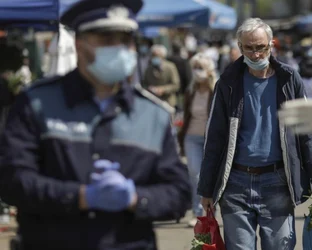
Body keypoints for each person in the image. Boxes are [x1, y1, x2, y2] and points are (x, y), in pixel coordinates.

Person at [0, 0, 191, 249]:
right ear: (80, 44)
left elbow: (179, 193)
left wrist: (135, 197)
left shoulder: (151, 114)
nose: (119, 48)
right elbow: (12, 180)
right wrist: (80, 197)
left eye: (126, 39)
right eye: (106, 38)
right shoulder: (37, 103)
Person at [198, 18, 312, 250]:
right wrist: (206, 188)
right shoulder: (227, 83)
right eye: (249, 47)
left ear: (271, 45)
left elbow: (307, 133)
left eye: (261, 47)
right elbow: (215, 138)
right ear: (240, 48)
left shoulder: (288, 79)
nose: (256, 53)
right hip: (235, 184)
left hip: (277, 181)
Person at [177, 53, 217, 228]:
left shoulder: (217, 89)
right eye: (195, 67)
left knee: (210, 177)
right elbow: (185, 114)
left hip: (212, 140)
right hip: (191, 137)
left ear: (209, 70)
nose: (197, 71)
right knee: (196, 174)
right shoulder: (190, 91)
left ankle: (210, 211)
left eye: (200, 67)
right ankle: (198, 212)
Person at [143, 44, 181, 109]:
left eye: (157, 55)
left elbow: (176, 85)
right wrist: (149, 88)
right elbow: (144, 84)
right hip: (153, 103)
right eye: (153, 55)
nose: (154, 57)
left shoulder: (170, 67)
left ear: (163, 56)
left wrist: (163, 90)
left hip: (168, 103)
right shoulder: (149, 69)